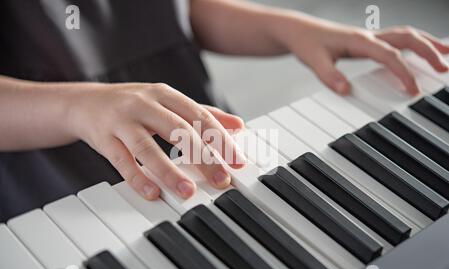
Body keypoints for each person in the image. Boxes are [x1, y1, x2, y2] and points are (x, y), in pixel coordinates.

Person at [1, 0, 448, 221]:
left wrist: (291, 29)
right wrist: (77, 106)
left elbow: (175, 11)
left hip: (193, 137)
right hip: (53, 184)